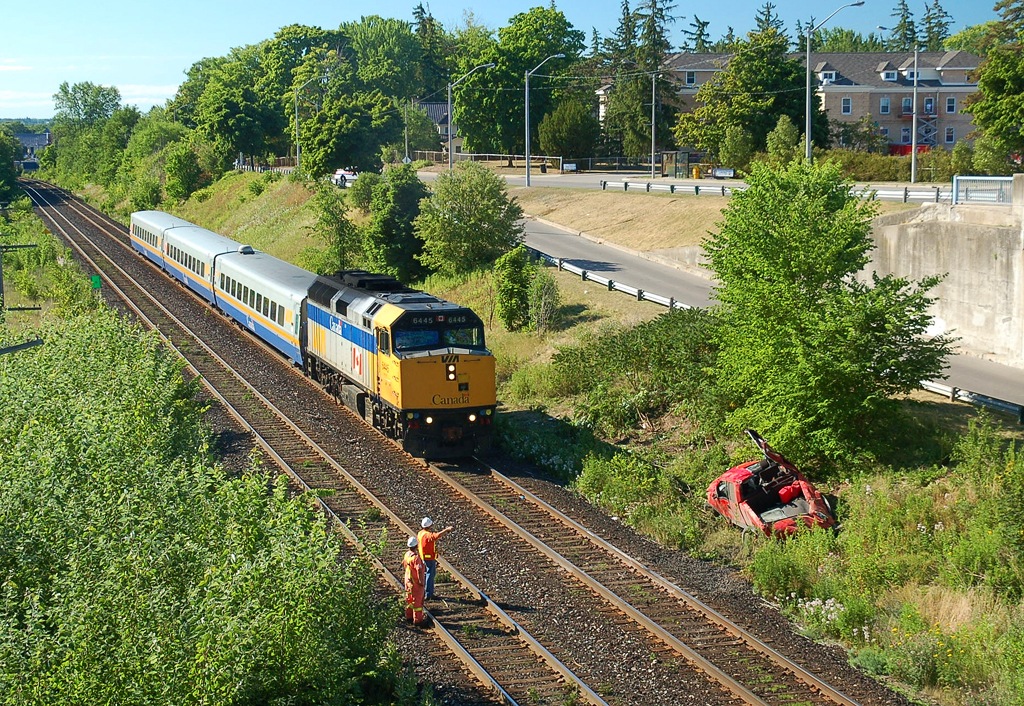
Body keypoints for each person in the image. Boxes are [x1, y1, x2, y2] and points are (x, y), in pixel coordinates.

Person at [417, 517, 453, 600]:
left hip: (423, 556)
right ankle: (428, 594)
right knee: (430, 574)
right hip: (428, 558)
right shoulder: (427, 535)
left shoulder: (420, 533)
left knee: (426, 574)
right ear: (430, 526)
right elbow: (436, 536)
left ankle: (426, 592)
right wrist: (446, 530)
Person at [402, 536, 426, 625]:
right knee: (417, 602)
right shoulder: (415, 558)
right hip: (415, 582)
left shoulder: (407, 555)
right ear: (416, 546)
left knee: (409, 599)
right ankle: (418, 620)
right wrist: (421, 582)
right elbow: (419, 570)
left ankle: (409, 616)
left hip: (408, 580)